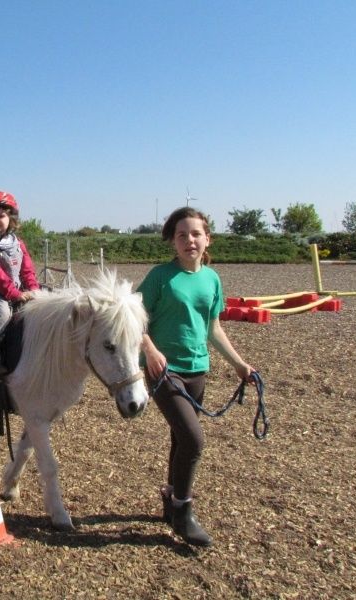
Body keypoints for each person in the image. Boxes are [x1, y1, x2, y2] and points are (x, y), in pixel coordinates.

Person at [137, 206, 255, 547]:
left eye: (195, 234)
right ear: (173, 242)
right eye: (182, 235)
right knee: (194, 439)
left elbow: (213, 328)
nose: (189, 240)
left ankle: (170, 499)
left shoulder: (212, 278)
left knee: (179, 439)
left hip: (197, 369)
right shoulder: (160, 276)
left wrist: (239, 364)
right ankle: (183, 512)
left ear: (207, 239)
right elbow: (136, 318)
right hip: (164, 371)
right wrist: (150, 349)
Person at [0, 190, 40, 375]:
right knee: (2, 315)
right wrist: (16, 295)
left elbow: (27, 270)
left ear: (11, 219)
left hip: (17, 290)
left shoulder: (18, 244)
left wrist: (34, 290)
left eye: (1, 216)